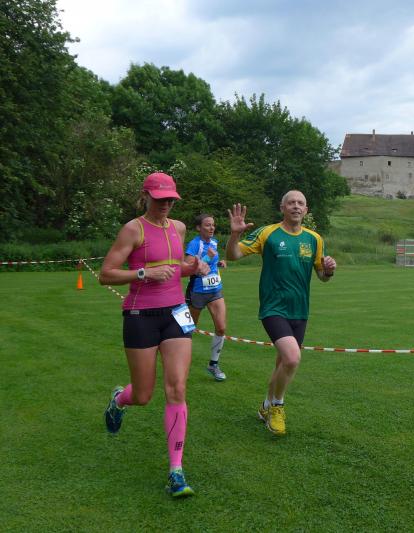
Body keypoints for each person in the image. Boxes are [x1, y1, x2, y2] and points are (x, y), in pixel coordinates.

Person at [99, 172, 209, 498]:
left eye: (170, 199)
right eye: (160, 199)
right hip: (140, 316)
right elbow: (106, 274)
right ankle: (120, 400)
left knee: (177, 388)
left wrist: (193, 268)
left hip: (176, 314)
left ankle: (176, 471)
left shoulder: (179, 228)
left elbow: (174, 270)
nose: (166, 205)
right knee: (143, 395)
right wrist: (144, 273)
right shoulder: (133, 229)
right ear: (146, 196)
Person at [226, 190, 336, 436]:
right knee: (292, 358)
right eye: (291, 202)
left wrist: (329, 270)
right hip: (273, 308)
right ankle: (277, 406)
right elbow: (233, 255)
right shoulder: (268, 234)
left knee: (282, 363)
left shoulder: (314, 239)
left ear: (306, 210)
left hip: (300, 310)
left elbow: (322, 276)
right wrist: (234, 235)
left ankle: (265, 406)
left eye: (300, 203)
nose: (296, 206)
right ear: (282, 207)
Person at [185, 213, 228, 381]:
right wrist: (207, 257)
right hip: (197, 291)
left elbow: (211, 263)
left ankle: (213, 364)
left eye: (213, 225)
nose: (212, 228)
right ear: (199, 228)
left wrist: (219, 262)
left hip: (215, 290)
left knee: (221, 328)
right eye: (208, 225)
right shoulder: (194, 244)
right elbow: (188, 267)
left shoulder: (214, 242)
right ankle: (179, 360)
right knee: (188, 329)